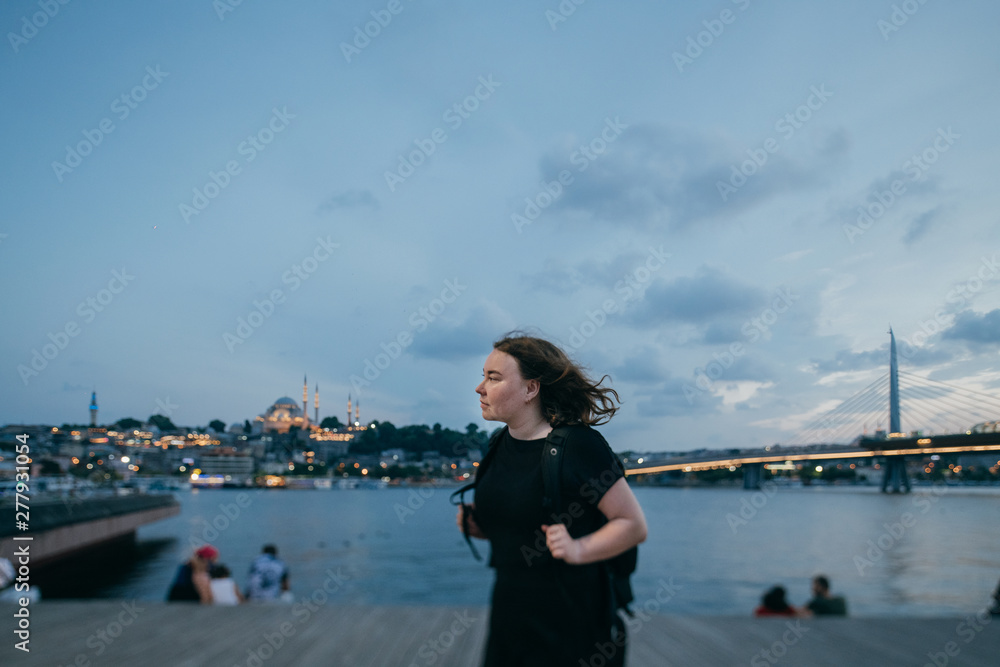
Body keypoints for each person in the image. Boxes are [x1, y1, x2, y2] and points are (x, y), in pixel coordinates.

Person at [456, 333, 647, 666]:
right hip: (509, 621)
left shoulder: (578, 446)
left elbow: (632, 525)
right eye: (483, 375)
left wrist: (577, 549)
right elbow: (524, 523)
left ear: (531, 389)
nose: (480, 388)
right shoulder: (499, 444)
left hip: (574, 627)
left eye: (494, 378)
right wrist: (481, 526)